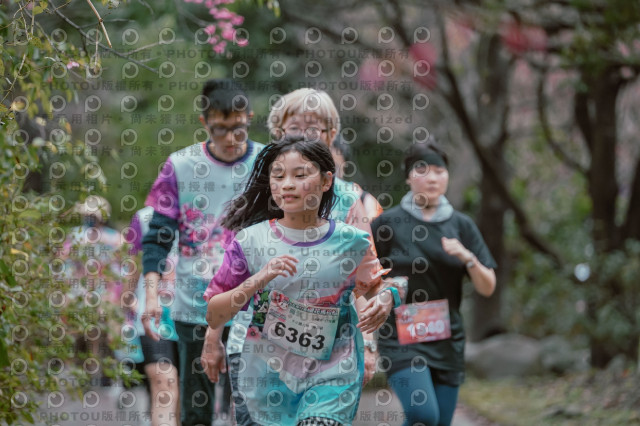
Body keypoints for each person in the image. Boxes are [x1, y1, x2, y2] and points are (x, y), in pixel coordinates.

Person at [205, 136, 396, 426]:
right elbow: (214, 313)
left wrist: (385, 299)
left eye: (300, 175)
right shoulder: (250, 241)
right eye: (278, 176)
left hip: (332, 376)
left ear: (326, 181)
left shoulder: (352, 242)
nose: (287, 185)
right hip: (267, 378)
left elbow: (373, 288)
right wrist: (259, 279)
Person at [142, 78, 264, 426]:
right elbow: (157, 238)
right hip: (195, 306)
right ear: (204, 123)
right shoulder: (180, 165)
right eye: (220, 129)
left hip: (253, 305)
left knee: (252, 408)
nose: (230, 138)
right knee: (197, 410)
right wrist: (151, 296)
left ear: (249, 118)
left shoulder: (267, 163)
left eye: (238, 128)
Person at [371, 142, 497, 426]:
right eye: (422, 170)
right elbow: (363, 280)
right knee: (423, 415)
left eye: (439, 171)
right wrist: (383, 288)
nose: (432, 178)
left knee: (439, 423)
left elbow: (488, 286)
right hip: (400, 336)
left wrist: (467, 257)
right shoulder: (387, 223)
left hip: (447, 338)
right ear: (408, 177)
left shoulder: (461, 226)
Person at [127, 206, 180, 426]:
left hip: (195, 315)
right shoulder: (144, 217)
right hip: (154, 315)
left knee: (183, 396)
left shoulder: (209, 213)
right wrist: (127, 300)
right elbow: (133, 263)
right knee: (164, 385)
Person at [330, 134, 383, 223]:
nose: (329, 175)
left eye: (335, 168)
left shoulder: (364, 199)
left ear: (345, 165)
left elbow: (377, 224)